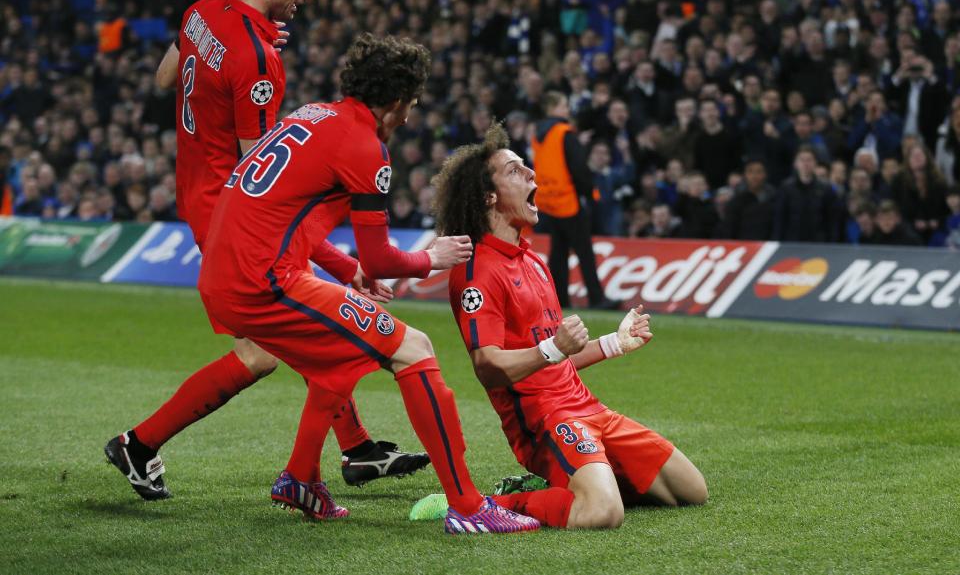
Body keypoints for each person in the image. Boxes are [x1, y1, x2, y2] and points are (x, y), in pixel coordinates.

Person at [105, 0, 428, 513]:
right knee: (265, 350)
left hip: (196, 187)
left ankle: (356, 448)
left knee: (297, 332)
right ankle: (139, 442)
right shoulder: (261, 61)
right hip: (229, 210)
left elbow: (163, 78)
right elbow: (262, 178)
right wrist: (339, 259)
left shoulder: (202, 10)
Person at [196, 33, 540, 534]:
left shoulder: (311, 115)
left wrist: (344, 270)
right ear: (397, 101)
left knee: (343, 351)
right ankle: (468, 506)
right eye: (412, 104)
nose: (410, 115)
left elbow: (288, 215)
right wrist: (430, 258)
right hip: (264, 280)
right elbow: (379, 257)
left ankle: (300, 477)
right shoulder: (366, 147)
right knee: (414, 348)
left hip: (228, 270)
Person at [412, 124, 706, 530]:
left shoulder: (532, 261)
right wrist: (553, 349)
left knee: (690, 491)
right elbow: (488, 366)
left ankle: (571, 479)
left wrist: (613, 344)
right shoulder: (477, 271)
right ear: (489, 197)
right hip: (545, 423)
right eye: (515, 171)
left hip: (589, 409)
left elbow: (556, 354)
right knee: (603, 512)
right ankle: (481, 503)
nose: (532, 174)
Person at [532, 91, 617, 309]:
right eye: (563, 105)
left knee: (558, 253)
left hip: (547, 202)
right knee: (584, 252)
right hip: (568, 202)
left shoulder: (537, 135)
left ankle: (559, 299)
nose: (567, 110)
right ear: (552, 108)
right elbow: (578, 168)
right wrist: (590, 192)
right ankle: (597, 297)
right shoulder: (564, 133)